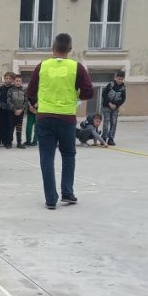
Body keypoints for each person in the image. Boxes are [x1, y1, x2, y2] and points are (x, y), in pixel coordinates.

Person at [26, 33, 93, 210]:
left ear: (52, 48)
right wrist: (75, 96)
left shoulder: (42, 66)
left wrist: (35, 104)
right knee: (68, 155)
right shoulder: (76, 67)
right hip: (66, 118)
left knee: (46, 157)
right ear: (70, 49)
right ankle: (67, 192)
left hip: (45, 116)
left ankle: (50, 199)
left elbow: (30, 91)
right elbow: (88, 92)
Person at [101, 70, 126, 146]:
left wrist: (116, 105)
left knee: (114, 123)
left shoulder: (123, 87)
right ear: (116, 78)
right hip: (107, 106)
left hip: (115, 108)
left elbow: (123, 98)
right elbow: (104, 94)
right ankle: (104, 138)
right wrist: (109, 103)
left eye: (122, 79)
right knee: (106, 122)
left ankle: (111, 139)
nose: (120, 81)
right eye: (119, 79)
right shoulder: (110, 84)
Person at [0, 72, 16, 149]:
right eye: (6, 78)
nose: (8, 80)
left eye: (10, 78)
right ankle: (0, 140)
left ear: (13, 79)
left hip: (10, 111)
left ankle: (9, 141)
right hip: (2, 110)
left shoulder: (14, 89)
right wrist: (0, 104)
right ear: (4, 79)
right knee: (1, 126)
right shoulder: (1, 88)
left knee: (10, 126)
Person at [8, 75, 28, 149]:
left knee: (19, 128)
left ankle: (19, 143)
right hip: (12, 112)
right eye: (17, 81)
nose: (18, 82)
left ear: (21, 82)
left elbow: (26, 101)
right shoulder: (11, 90)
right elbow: (9, 101)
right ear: (14, 81)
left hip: (21, 112)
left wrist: (21, 110)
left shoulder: (24, 90)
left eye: (19, 81)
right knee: (11, 128)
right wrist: (14, 109)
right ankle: (9, 142)